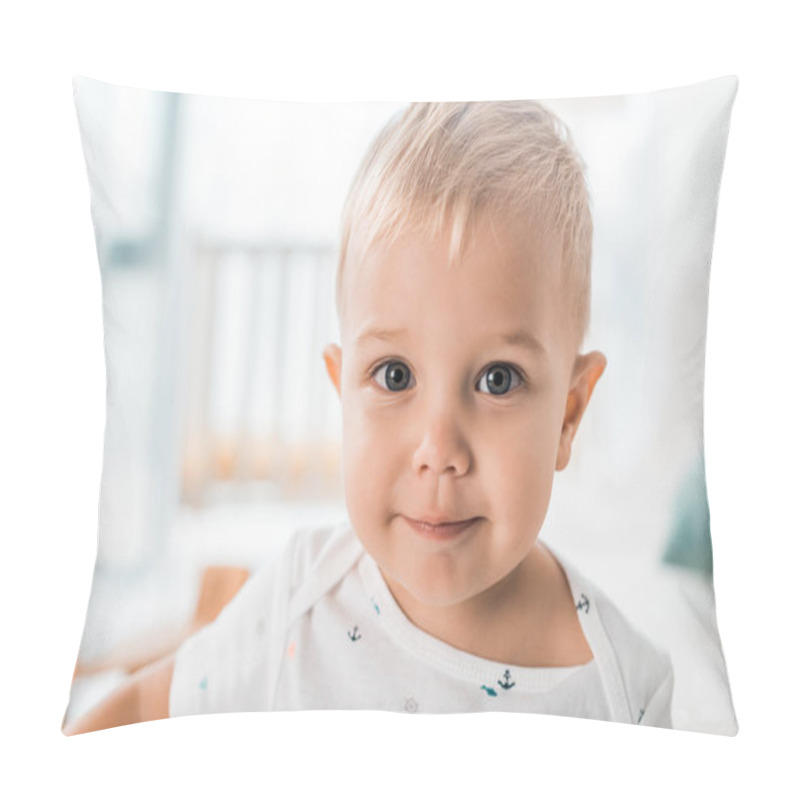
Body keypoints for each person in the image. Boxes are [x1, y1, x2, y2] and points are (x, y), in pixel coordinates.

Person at [64, 100, 673, 735]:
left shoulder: (625, 692)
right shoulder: (301, 600)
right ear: (342, 392)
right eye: (395, 376)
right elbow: (141, 711)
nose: (439, 449)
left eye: (498, 380)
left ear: (569, 414)